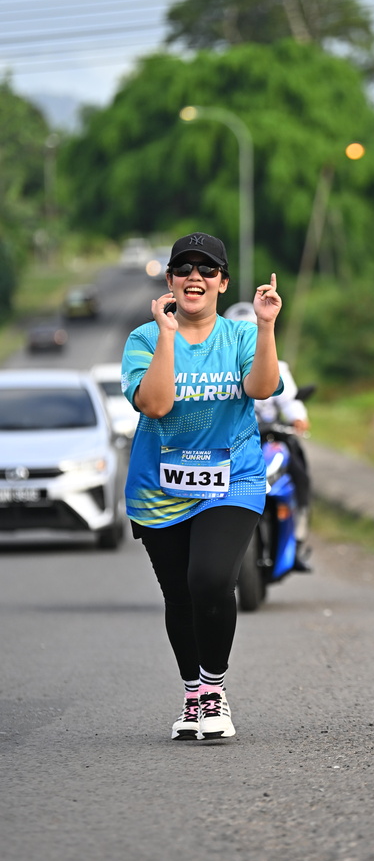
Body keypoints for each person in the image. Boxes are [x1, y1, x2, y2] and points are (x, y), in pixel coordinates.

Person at [121, 232, 282, 742]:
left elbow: (261, 389)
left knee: (210, 580)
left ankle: (214, 691)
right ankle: (192, 696)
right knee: (180, 595)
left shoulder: (240, 336)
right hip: (159, 489)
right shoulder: (144, 339)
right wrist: (168, 336)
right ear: (169, 281)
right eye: (185, 269)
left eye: (207, 269)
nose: (196, 277)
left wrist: (265, 325)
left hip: (233, 480)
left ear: (222, 282)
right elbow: (156, 405)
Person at [223, 301, 312, 570]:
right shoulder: (218, 368)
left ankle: (299, 534)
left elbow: (290, 401)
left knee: (298, 470)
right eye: (239, 333)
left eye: (251, 331)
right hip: (230, 443)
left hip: (269, 439)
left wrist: (298, 418)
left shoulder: (277, 366)